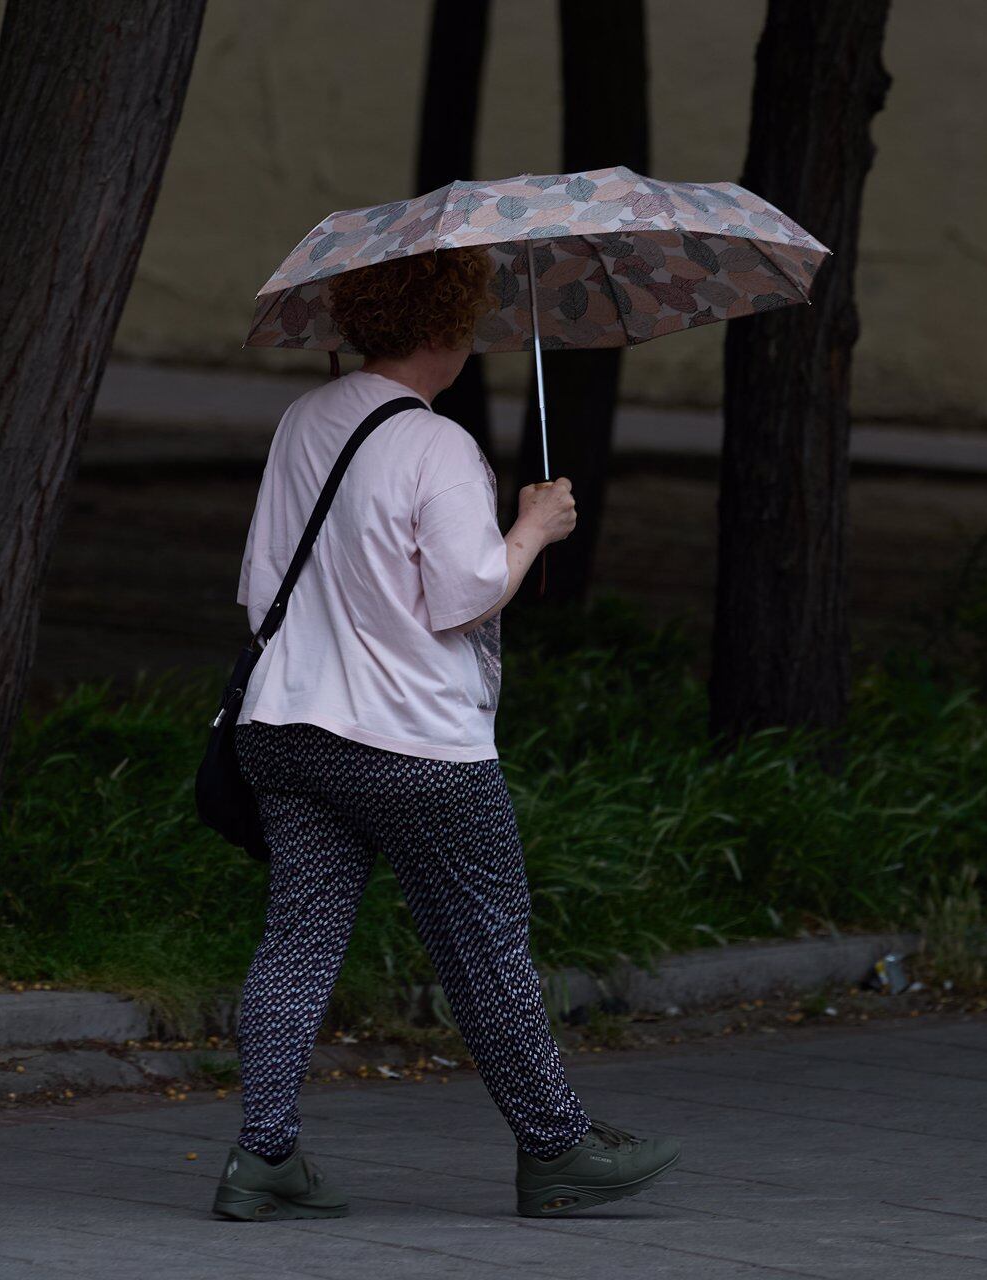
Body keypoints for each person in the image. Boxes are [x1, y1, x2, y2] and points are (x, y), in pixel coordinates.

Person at [212, 246, 679, 1221]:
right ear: (447, 331)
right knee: (489, 945)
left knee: (297, 938)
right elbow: (462, 595)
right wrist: (536, 527)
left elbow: (260, 584)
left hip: (288, 732)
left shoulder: (306, 421)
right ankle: (556, 1149)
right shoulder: (437, 445)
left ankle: (263, 1156)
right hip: (419, 749)